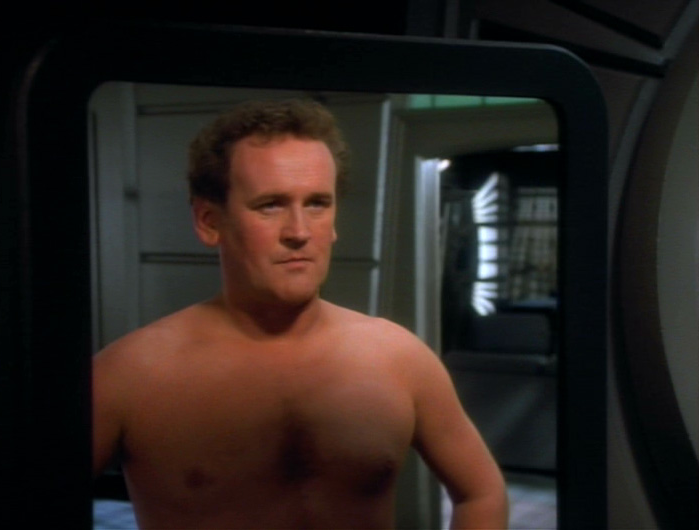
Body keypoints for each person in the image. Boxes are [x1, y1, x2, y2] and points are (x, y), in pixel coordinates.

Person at [93, 99, 508, 529]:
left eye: (317, 203)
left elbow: (481, 492)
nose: (299, 232)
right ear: (209, 221)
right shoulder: (129, 375)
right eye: (270, 205)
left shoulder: (399, 359)